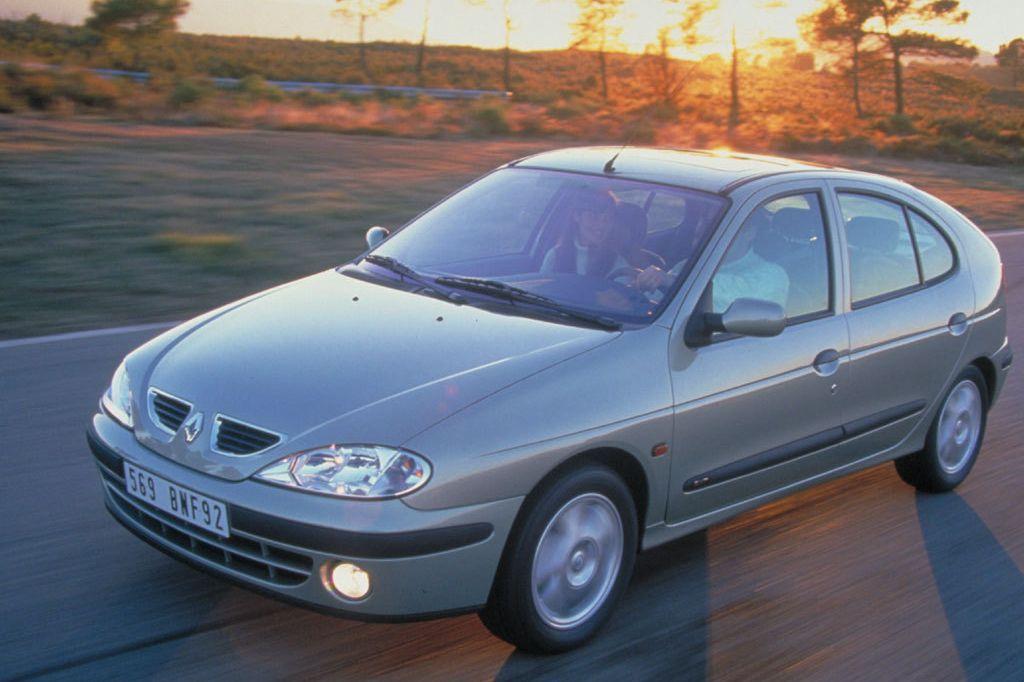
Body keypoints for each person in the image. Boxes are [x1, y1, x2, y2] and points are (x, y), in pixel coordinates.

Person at [540, 188, 632, 278]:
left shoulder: (618, 264)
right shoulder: (555, 256)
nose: (601, 225)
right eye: (593, 216)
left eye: (607, 218)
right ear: (577, 216)